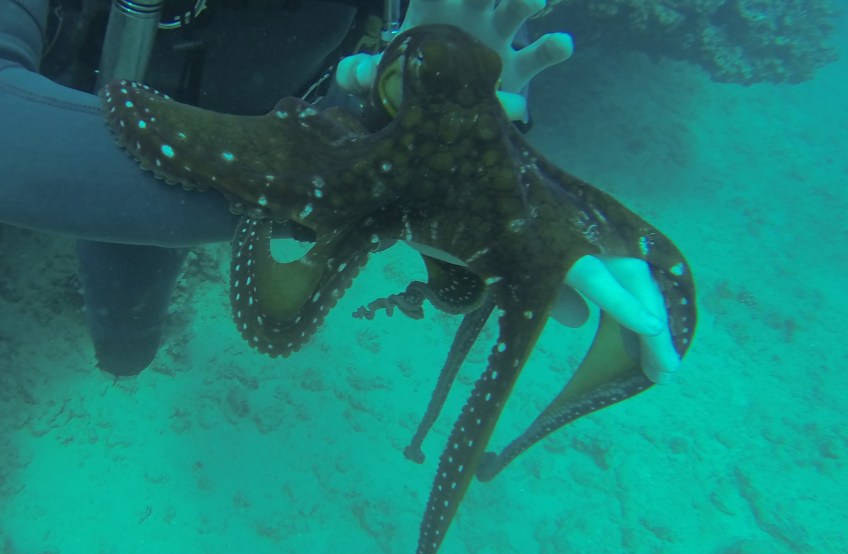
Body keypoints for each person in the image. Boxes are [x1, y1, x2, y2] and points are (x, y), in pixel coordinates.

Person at [0, 0, 681, 382]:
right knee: (122, 330)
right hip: (98, 122)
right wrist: (346, 187)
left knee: (127, 343)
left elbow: (487, 37)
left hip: (278, 138)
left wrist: (456, 126)